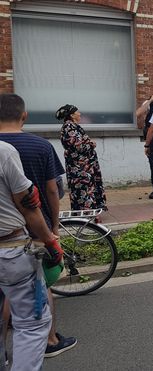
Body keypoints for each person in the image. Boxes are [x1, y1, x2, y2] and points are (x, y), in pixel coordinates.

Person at [0, 94, 76, 358]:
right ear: (24, 116)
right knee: (36, 291)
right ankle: (50, 340)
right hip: (27, 231)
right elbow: (51, 191)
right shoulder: (39, 146)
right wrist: (53, 228)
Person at [57, 104, 107, 211]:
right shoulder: (69, 127)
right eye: (77, 112)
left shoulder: (72, 126)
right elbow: (78, 146)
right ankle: (86, 212)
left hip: (84, 165)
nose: (80, 114)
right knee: (83, 188)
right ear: (72, 115)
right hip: (80, 167)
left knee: (86, 187)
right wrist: (91, 144)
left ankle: (90, 211)